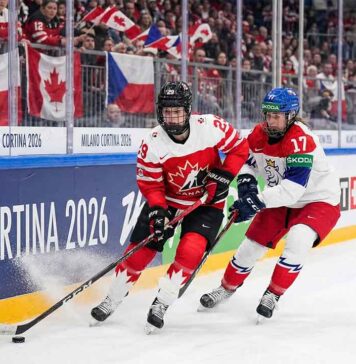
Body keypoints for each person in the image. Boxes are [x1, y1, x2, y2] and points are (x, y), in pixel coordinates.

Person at [90, 81, 249, 332]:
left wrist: (224, 175)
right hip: (170, 201)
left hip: (208, 202)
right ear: (159, 112)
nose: (172, 118)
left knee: (191, 250)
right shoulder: (152, 143)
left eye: (177, 111)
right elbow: (150, 184)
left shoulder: (210, 127)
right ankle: (113, 298)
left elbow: (240, 148)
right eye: (167, 111)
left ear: (188, 111)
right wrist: (158, 211)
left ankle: (162, 302)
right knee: (139, 251)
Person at [199, 87, 341, 321]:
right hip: (280, 198)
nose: (270, 121)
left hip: (318, 200)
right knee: (250, 247)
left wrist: (254, 202)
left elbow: (293, 190)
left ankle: (273, 294)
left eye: (276, 116)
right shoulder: (259, 133)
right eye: (268, 114)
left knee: (299, 239)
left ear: (291, 116)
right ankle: (225, 288)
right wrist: (247, 184)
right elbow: (245, 160)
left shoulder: (301, 140)